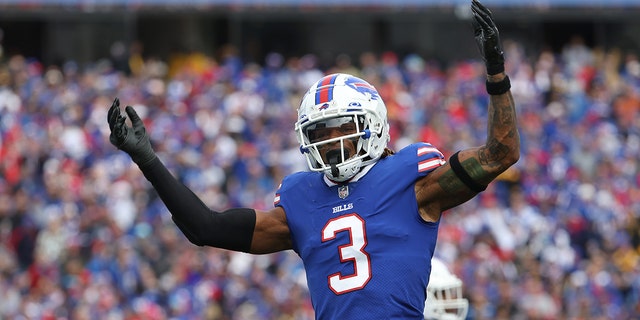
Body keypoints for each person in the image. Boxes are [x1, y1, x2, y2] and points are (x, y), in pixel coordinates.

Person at [106, 0, 519, 318]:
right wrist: (148, 160)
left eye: (343, 129)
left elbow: (501, 153)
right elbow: (204, 227)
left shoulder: (412, 180)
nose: (333, 142)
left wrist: (496, 74)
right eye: (322, 134)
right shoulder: (302, 201)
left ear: (372, 125)